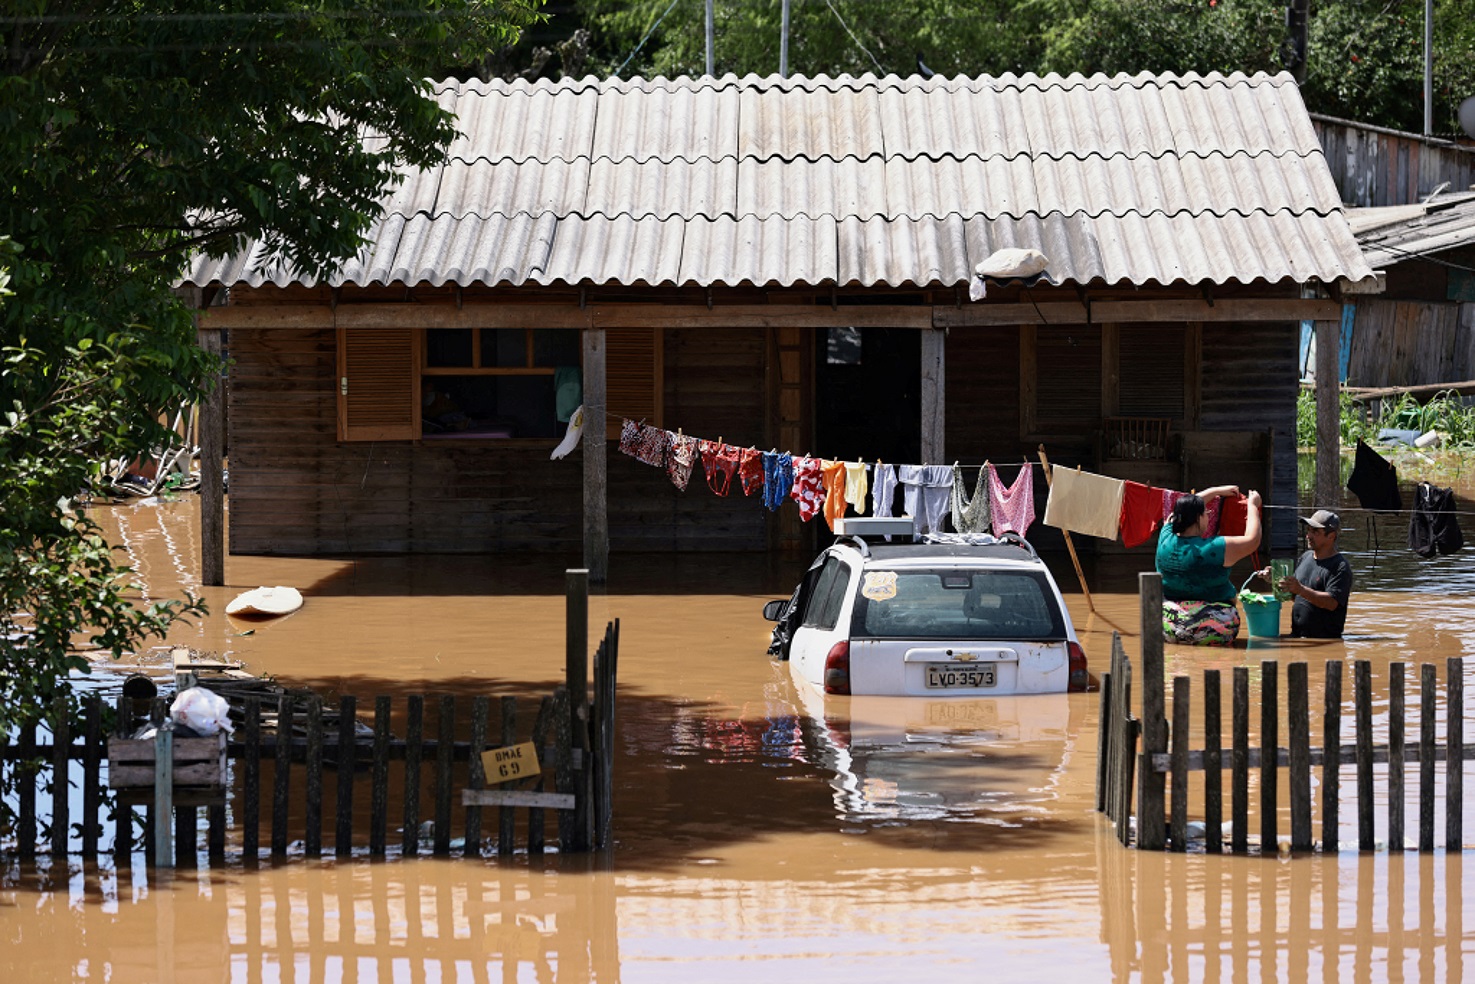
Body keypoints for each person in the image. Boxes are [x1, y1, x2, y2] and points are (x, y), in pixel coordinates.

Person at [1155, 486, 1263, 645]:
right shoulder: (1215, 547)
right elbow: (1252, 540)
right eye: (1206, 513)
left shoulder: (1166, 538)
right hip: (1214, 628)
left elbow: (1178, 511)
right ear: (1199, 518)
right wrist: (1253, 506)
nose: (1208, 516)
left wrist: (1215, 491)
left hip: (1170, 627)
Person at [1278, 509, 1353, 639]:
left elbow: (1331, 603)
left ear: (1331, 536)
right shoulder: (1305, 557)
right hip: (1297, 638)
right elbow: (1295, 596)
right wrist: (1276, 580)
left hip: (1325, 642)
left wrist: (1300, 589)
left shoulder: (1340, 566)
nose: (1308, 536)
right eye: (1309, 530)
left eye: (1315, 532)